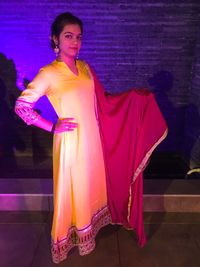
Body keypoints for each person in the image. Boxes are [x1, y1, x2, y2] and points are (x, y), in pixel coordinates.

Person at [15, 12, 167, 264]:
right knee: (74, 188)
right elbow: (22, 106)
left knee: (91, 185)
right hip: (72, 143)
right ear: (55, 39)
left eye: (79, 37)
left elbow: (104, 101)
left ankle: (89, 229)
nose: (75, 42)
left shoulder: (85, 67)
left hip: (93, 141)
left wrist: (133, 98)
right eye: (68, 36)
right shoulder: (49, 72)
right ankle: (67, 238)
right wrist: (51, 126)